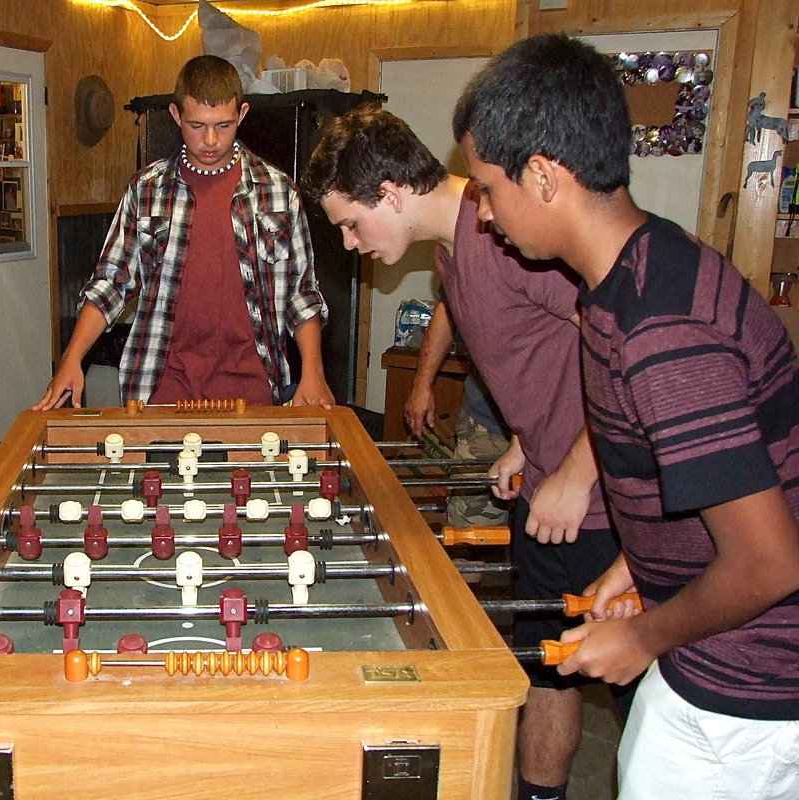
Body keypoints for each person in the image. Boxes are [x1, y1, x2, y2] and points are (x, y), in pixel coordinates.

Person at [452, 32, 799, 800]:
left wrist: (642, 636)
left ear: (543, 176)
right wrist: (638, 566)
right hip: (716, 658)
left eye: (488, 188)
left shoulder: (659, 327)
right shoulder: (627, 278)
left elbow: (771, 561)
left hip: (751, 685)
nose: (483, 213)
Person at [301, 104, 632, 800]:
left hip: (614, 503)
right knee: (550, 671)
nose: (351, 243)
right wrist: (527, 442)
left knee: (646, 696)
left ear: (391, 193)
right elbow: (548, 353)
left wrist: (578, 469)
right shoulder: (455, 250)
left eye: (351, 223)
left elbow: (625, 345)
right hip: (547, 487)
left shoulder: (511, 233)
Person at [33, 54, 332, 410]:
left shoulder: (279, 192)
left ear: (242, 114)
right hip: (161, 388)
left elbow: (301, 293)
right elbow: (111, 283)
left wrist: (313, 372)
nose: (210, 140)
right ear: (176, 115)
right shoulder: (147, 190)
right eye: (197, 125)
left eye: (223, 125)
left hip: (251, 389)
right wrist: (71, 359)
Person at [405, 303, 511, 530]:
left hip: (557, 436)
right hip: (486, 425)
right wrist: (422, 385)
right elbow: (448, 308)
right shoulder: (471, 278)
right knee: (468, 537)